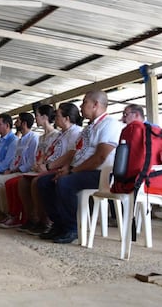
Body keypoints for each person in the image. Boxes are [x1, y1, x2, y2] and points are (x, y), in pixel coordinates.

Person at [37, 90, 121, 244]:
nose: (81, 107)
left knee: (65, 183)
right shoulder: (88, 128)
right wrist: (65, 168)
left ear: (95, 105)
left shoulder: (110, 124)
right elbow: (76, 152)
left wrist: (71, 171)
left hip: (100, 174)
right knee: (44, 182)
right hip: (80, 171)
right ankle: (59, 224)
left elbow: (100, 157)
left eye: (84, 103)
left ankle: (72, 227)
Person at [15, 102, 83, 235]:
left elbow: (71, 154)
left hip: (61, 169)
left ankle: (46, 221)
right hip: (51, 166)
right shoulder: (62, 134)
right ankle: (33, 218)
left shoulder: (75, 132)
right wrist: (41, 163)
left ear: (66, 118)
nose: (55, 118)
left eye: (57, 115)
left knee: (38, 182)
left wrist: (48, 167)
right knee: (23, 181)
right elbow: (49, 151)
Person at [0, 112, 39, 227]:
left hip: (25, 171)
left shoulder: (33, 138)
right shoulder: (20, 140)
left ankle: (9, 213)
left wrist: (14, 170)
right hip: (16, 170)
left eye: (18, 121)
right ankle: (0, 211)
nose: (15, 123)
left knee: (0, 181)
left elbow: (31, 161)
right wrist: (11, 169)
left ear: (24, 123)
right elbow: (16, 159)